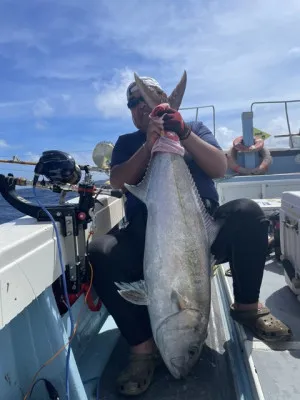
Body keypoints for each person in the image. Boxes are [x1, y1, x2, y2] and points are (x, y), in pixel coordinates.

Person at [88, 76, 292, 396]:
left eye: (148, 98)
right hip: (149, 234)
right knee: (100, 250)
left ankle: (248, 308)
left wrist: (182, 133)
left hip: (204, 231)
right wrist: (149, 143)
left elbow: (219, 167)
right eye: (133, 103)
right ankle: (142, 351)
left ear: (160, 98)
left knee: (249, 213)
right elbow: (117, 181)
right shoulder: (128, 141)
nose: (141, 106)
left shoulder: (193, 127)